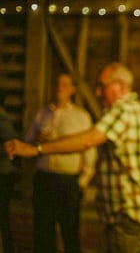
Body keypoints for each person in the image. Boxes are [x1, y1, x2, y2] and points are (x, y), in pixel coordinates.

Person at [4, 63, 140, 252]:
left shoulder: (121, 111)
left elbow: (88, 141)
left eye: (102, 86)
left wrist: (36, 149)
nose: (98, 93)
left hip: (131, 220)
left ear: (121, 86)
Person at [25, 73, 97, 253]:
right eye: (57, 84)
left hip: (68, 181)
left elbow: (89, 150)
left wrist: (82, 181)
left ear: (72, 89)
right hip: (44, 178)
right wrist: (37, 140)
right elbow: (28, 143)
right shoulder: (42, 114)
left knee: (70, 230)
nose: (59, 88)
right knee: (43, 229)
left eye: (64, 85)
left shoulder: (81, 117)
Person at [0, 103, 17, 253]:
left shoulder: (2, 120)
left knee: (2, 216)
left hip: (3, 175)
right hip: (4, 173)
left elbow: (8, 146)